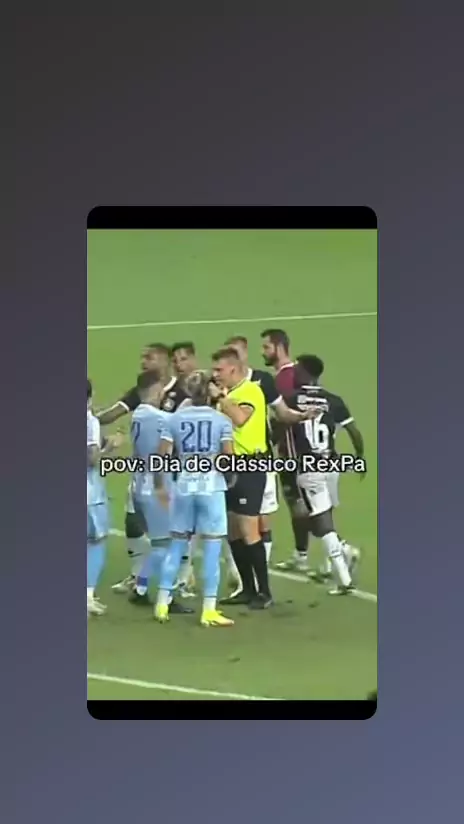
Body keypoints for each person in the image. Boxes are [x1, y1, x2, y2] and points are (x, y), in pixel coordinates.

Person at [97, 343, 189, 596]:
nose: (143, 362)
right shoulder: (143, 392)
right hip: (150, 475)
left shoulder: (181, 393)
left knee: (176, 529)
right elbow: (111, 414)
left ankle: (179, 579)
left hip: (173, 471)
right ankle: (141, 578)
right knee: (139, 525)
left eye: (149, 357)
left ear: (165, 361)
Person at [223, 334, 310, 591]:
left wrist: (301, 416)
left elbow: (281, 412)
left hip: (259, 461)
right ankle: (245, 583)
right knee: (235, 525)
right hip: (231, 464)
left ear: (244, 354)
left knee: (259, 520)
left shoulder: (260, 382)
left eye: (237, 352)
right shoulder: (222, 385)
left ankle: (262, 585)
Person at [154, 372, 235, 627]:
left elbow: (162, 455)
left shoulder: (174, 419)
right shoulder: (222, 421)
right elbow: (228, 457)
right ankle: (209, 609)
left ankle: (162, 603)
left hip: (184, 486)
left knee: (177, 543)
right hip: (211, 487)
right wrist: (229, 476)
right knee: (212, 546)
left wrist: (161, 485)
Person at [278, 354, 364, 580]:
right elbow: (354, 432)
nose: (293, 373)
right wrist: (359, 457)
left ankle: (345, 553)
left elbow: (279, 428)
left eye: (297, 369)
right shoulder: (334, 400)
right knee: (325, 513)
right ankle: (327, 566)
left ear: (306, 372)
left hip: (308, 466)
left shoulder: (291, 399)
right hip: (331, 465)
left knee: (316, 519)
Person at [208, 347, 272, 608]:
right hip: (228, 467)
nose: (215, 374)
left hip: (250, 466)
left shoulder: (250, 391)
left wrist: (220, 398)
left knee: (248, 529)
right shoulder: (229, 395)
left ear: (233, 368)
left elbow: (240, 418)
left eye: (219, 369)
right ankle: (247, 588)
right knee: (233, 531)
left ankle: (265, 593)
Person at [128, 370, 194, 615]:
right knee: (168, 545)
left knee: (161, 544)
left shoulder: (139, 414)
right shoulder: (157, 418)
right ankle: (165, 597)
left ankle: (141, 588)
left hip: (139, 485)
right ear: (156, 389)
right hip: (155, 488)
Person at [260, 328, 313, 570]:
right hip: (305, 448)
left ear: (279, 347)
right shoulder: (297, 374)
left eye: (266, 347)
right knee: (305, 504)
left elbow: (284, 417)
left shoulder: (283, 378)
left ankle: (340, 550)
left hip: (292, 451)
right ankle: (303, 555)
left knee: (301, 504)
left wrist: (268, 438)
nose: (263, 352)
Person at [87, 379, 123, 616]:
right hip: (89, 493)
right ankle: (87, 596)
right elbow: (91, 458)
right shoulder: (90, 421)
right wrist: (110, 447)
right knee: (96, 541)